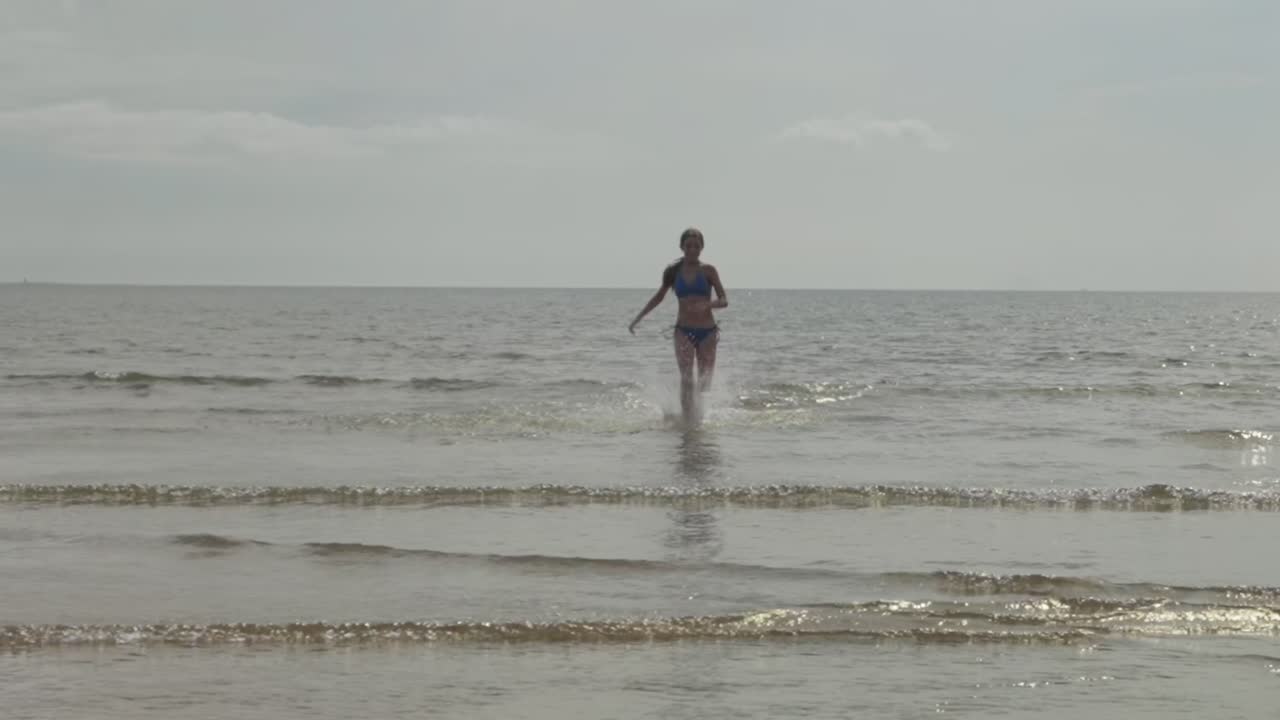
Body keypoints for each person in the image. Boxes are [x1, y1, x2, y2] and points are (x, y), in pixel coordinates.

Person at [629, 227, 728, 421]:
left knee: (704, 382)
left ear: (702, 248)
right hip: (683, 331)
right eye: (688, 245)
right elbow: (658, 297)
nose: (692, 249)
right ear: (682, 247)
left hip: (707, 332)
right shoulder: (674, 272)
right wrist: (638, 318)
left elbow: (724, 300)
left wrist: (708, 305)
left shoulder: (709, 271)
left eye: (696, 246)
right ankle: (687, 420)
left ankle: (697, 418)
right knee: (687, 379)